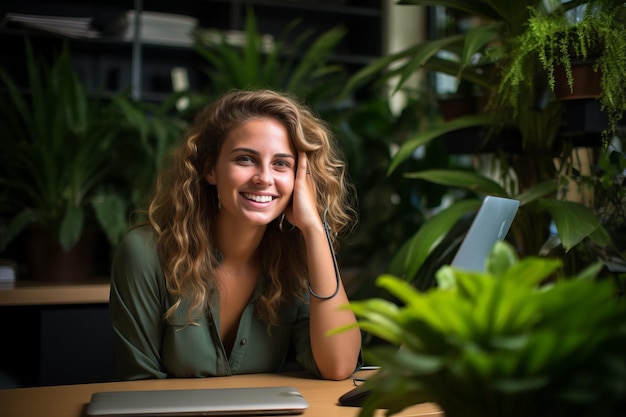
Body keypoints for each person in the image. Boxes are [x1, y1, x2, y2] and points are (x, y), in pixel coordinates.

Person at [109, 89, 362, 381]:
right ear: (210, 169)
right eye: (245, 159)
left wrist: (315, 229)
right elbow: (140, 389)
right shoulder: (145, 254)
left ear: (300, 179)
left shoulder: (300, 258)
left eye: (281, 163)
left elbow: (339, 366)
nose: (264, 178)